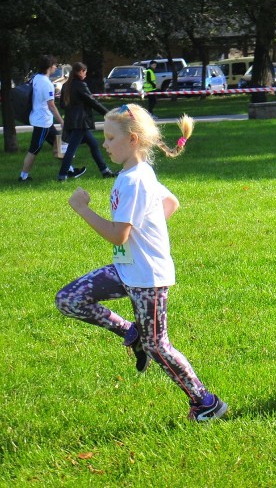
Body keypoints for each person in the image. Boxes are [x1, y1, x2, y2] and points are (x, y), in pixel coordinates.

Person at [55, 104, 228, 422]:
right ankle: (131, 332)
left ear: (132, 139)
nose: (104, 144)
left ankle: (206, 403)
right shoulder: (136, 173)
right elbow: (170, 203)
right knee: (69, 299)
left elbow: (118, 235)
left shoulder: (134, 180)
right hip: (126, 270)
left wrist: (82, 208)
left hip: (147, 277)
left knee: (158, 346)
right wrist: (148, 232)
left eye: (109, 138)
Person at [19, 55, 85, 182]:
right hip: (42, 122)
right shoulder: (47, 84)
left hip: (44, 120)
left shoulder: (35, 78)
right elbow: (51, 105)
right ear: (49, 67)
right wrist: (61, 121)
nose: (56, 67)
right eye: (55, 65)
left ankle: (69, 170)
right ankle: (23, 176)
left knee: (59, 144)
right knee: (34, 150)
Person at [57, 62, 117, 181]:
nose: (85, 74)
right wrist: (108, 114)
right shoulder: (80, 85)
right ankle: (62, 175)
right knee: (71, 149)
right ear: (80, 72)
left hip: (71, 121)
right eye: (85, 72)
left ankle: (105, 171)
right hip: (81, 123)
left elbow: (62, 105)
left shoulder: (66, 86)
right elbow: (92, 101)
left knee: (94, 144)